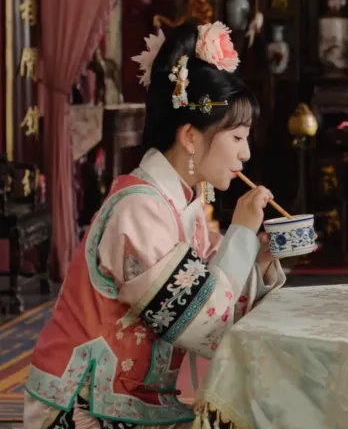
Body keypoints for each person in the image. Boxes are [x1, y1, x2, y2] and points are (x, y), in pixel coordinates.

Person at [23, 21, 285, 429]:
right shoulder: (139, 209)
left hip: (133, 402)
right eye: (237, 138)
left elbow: (217, 288)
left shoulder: (180, 203)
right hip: (83, 407)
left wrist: (260, 254)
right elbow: (202, 324)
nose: (246, 154)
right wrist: (240, 233)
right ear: (190, 137)